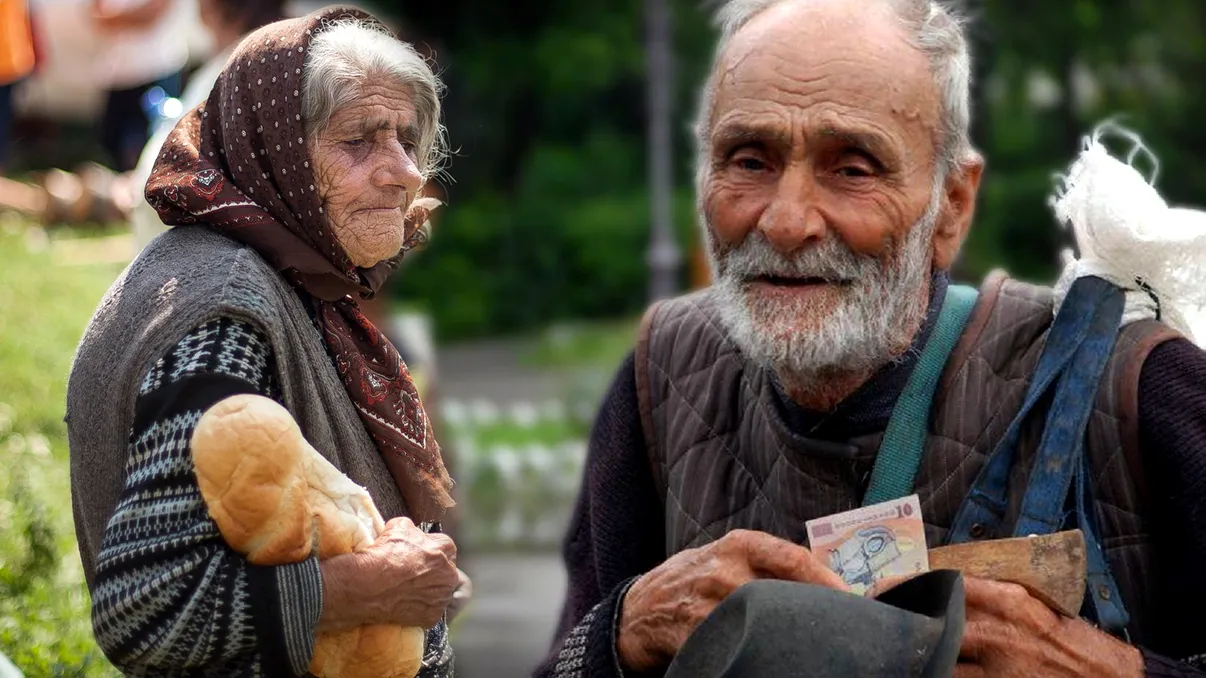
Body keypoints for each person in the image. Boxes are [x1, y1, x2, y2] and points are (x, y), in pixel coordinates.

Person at [536, 1, 1206, 677]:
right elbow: (563, 665)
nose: (786, 222)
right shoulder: (662, 376)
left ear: (952, 203)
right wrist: (623, 629)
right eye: (748, 159)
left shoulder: (1136, 385)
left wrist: (1113, 672)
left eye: (853, 168)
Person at [66, 7, 463, 676]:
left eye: (406, 139)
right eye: (359, 141)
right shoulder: (226, 315)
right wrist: (371, 586)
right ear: (275, 150)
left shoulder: (281, 277)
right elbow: (148, 608)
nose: (403, 171)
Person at [128, 0, 286, 251]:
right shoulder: (294, 57)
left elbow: (159, 182)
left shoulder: (235, 71)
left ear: (209, 7)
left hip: (208, 255)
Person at [91, 0, 190, 171]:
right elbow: (96, 16)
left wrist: (116, 19)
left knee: (155, 145)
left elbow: (152, 15)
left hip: (156, 70)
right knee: (112, 142)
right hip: (117, 73)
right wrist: (128, 18)